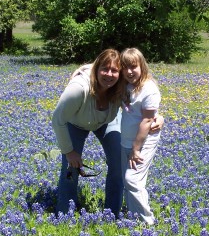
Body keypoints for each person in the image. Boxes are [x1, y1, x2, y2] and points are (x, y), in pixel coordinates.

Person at [51, 49, 162, 217]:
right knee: (70, 167)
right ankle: (64, 213)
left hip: (106, 122)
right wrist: (69, 151)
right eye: (104, 69)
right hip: (75, 123)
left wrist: (158, 117)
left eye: (115, 71)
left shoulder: (120, 85)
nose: (109, 75)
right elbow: (57, 120)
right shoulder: (78, 88)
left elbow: (144, 105)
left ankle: (112, 213)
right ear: (96, 69)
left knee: (118, 162)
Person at [120, 48, 161, 225]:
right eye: (125, 67)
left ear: (142, 66)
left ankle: (147, 222)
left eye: (133, 67)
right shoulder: (124, 85)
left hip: (143, 142)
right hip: (126, 139)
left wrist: (136, 149)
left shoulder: (149, 89)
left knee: (132, 179)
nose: (129, 71)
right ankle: (133, 217)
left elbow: (146, 120)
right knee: (128, 182)